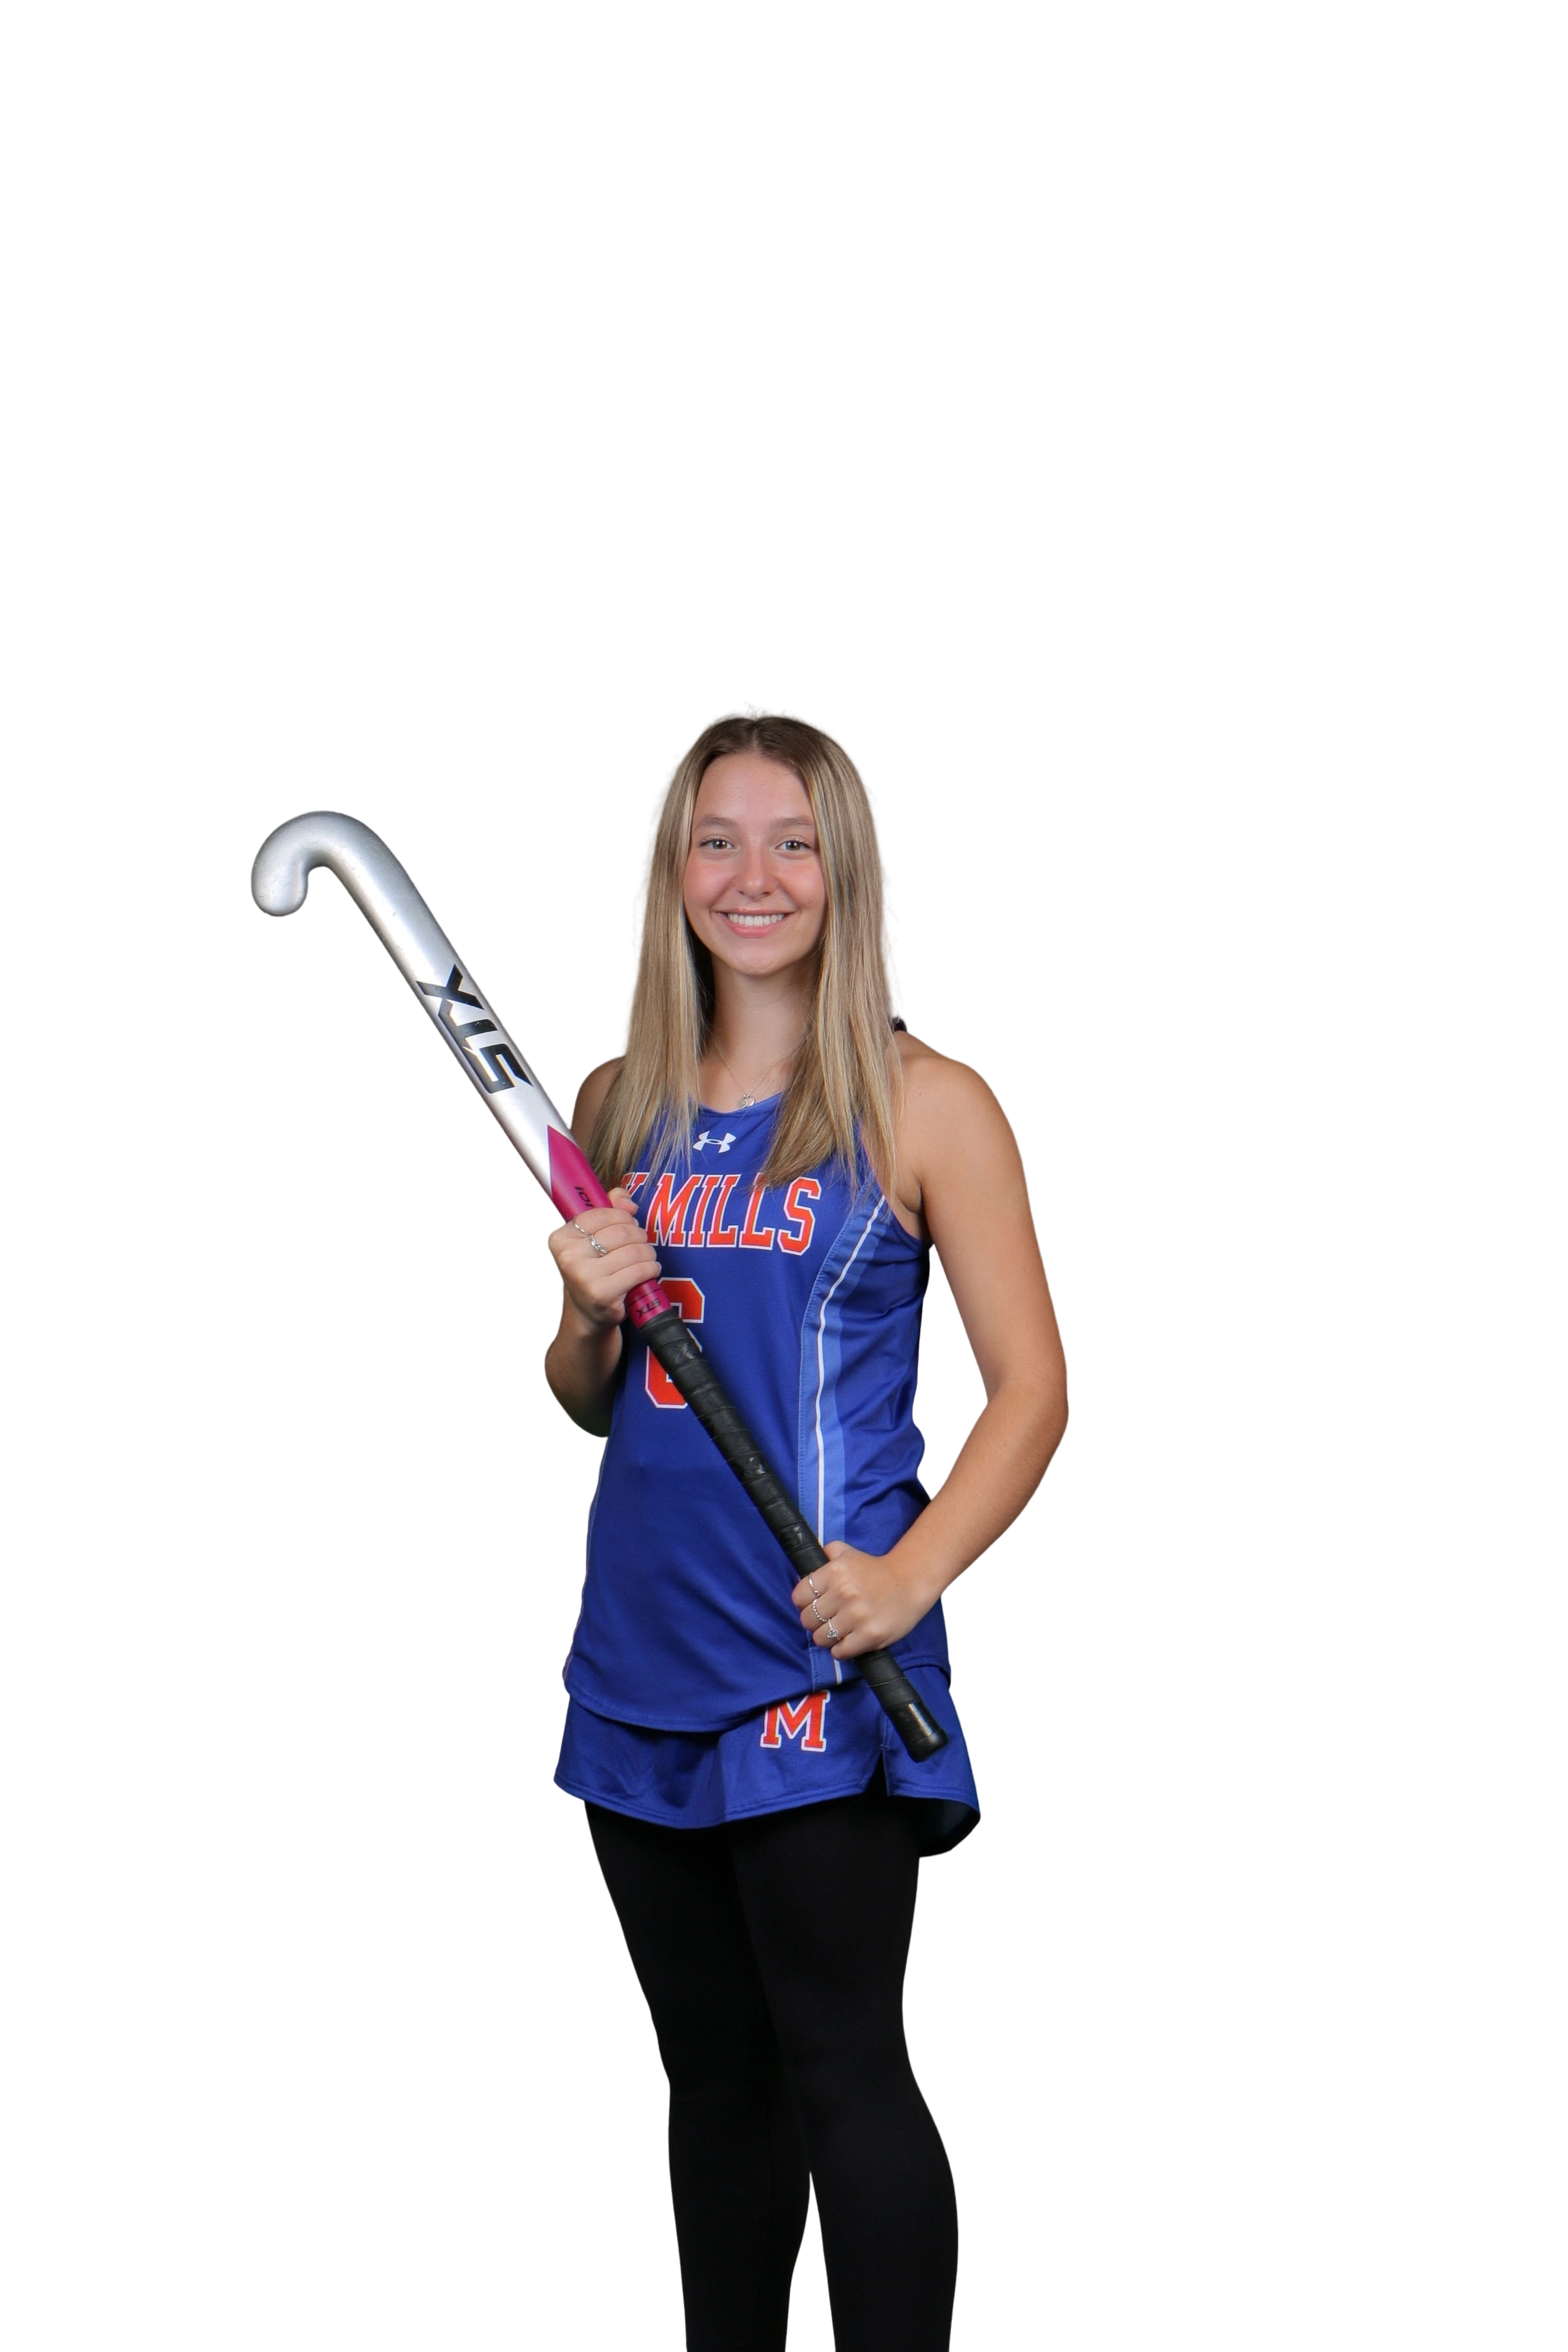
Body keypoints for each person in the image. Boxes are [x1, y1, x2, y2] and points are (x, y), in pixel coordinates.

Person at [544, 700, 1070, 2352]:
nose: (751, 876)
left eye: (791, 841)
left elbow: (1034, 1390)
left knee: (843, 2066)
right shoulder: (616, 1101)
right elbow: (585, 1397)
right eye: (715, 840)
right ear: (670, 872)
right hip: (637, 1655)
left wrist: (909, 1578)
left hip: (817, 1658)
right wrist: (585, 1316)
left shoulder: (926, 1104)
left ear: (848, 870)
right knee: (709, 2079)